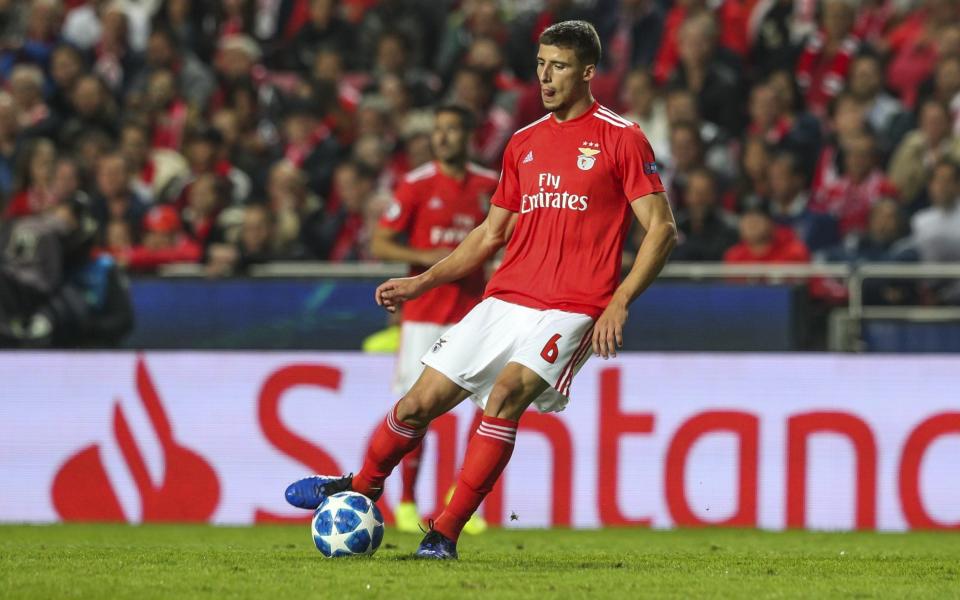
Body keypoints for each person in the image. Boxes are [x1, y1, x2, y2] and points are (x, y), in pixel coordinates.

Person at [284, 20, 676, 559]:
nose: (544, 76)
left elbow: (662, 228)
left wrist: (620, 302)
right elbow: (491, 234)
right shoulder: (523, 143)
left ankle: (442, 533)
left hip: (572, 307)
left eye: (558, 66)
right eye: (540, 64)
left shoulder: (621, 137)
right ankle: (361, 488)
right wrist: (422, 282)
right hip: (504, 299)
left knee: (505, 396)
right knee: (418, 404)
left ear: (588, 73)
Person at [369, 104, 499, 534]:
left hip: (474, 315)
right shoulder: (416, 184)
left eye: (452, 130)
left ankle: (462, 501)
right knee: (414, 410)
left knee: (487, 406)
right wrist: (422, 259)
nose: (442, 138)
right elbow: (381, 243)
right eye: (438, 130)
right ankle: (406, 501)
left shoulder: (489, 184)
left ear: (468, 136)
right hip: (423, 316)